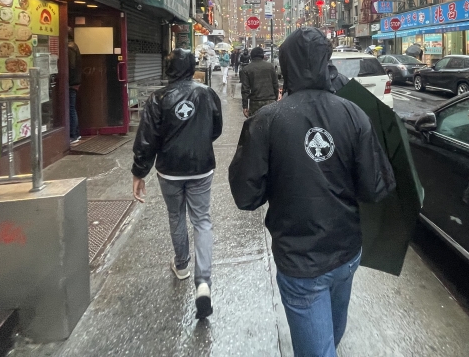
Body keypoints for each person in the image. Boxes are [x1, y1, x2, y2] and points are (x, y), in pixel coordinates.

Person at [229, 28, 395, 357]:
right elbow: (376, 187)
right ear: (326, 62)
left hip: (300, 260)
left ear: (285, 65)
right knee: (330, 336)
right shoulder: (354, 114)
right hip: (346, 253)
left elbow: (246, 196)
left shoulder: (266, 121)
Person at [131, 49, 223, 319]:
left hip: (169, 170)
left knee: (176, 216)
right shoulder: (206, 93)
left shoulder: (158, 98)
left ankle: (181, 265)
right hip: (201, 167)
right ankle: (203, 280)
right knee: (202, 220)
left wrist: (139, 172)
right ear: (192, 66)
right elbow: (215, 128)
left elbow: (147, 139)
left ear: (168, 68)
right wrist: (199, 143)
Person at [239, 46, 279, 118]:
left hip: (255, 102)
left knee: (255, 126)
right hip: (271, 101)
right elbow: (275, 85)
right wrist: (275, 98)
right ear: (263, 55)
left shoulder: (247, 69)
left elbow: (245, 90)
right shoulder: (270, 67)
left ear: (251, 56)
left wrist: (245, 106)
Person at [67, 27, 82, 145]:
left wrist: (67, 81)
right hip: (74, 81)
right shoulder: (74, 46)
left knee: (71, 108)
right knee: (72, 107)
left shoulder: (69, 47)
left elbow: (71, 66)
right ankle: (75, 133)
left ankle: (74, 135)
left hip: (71, 83)